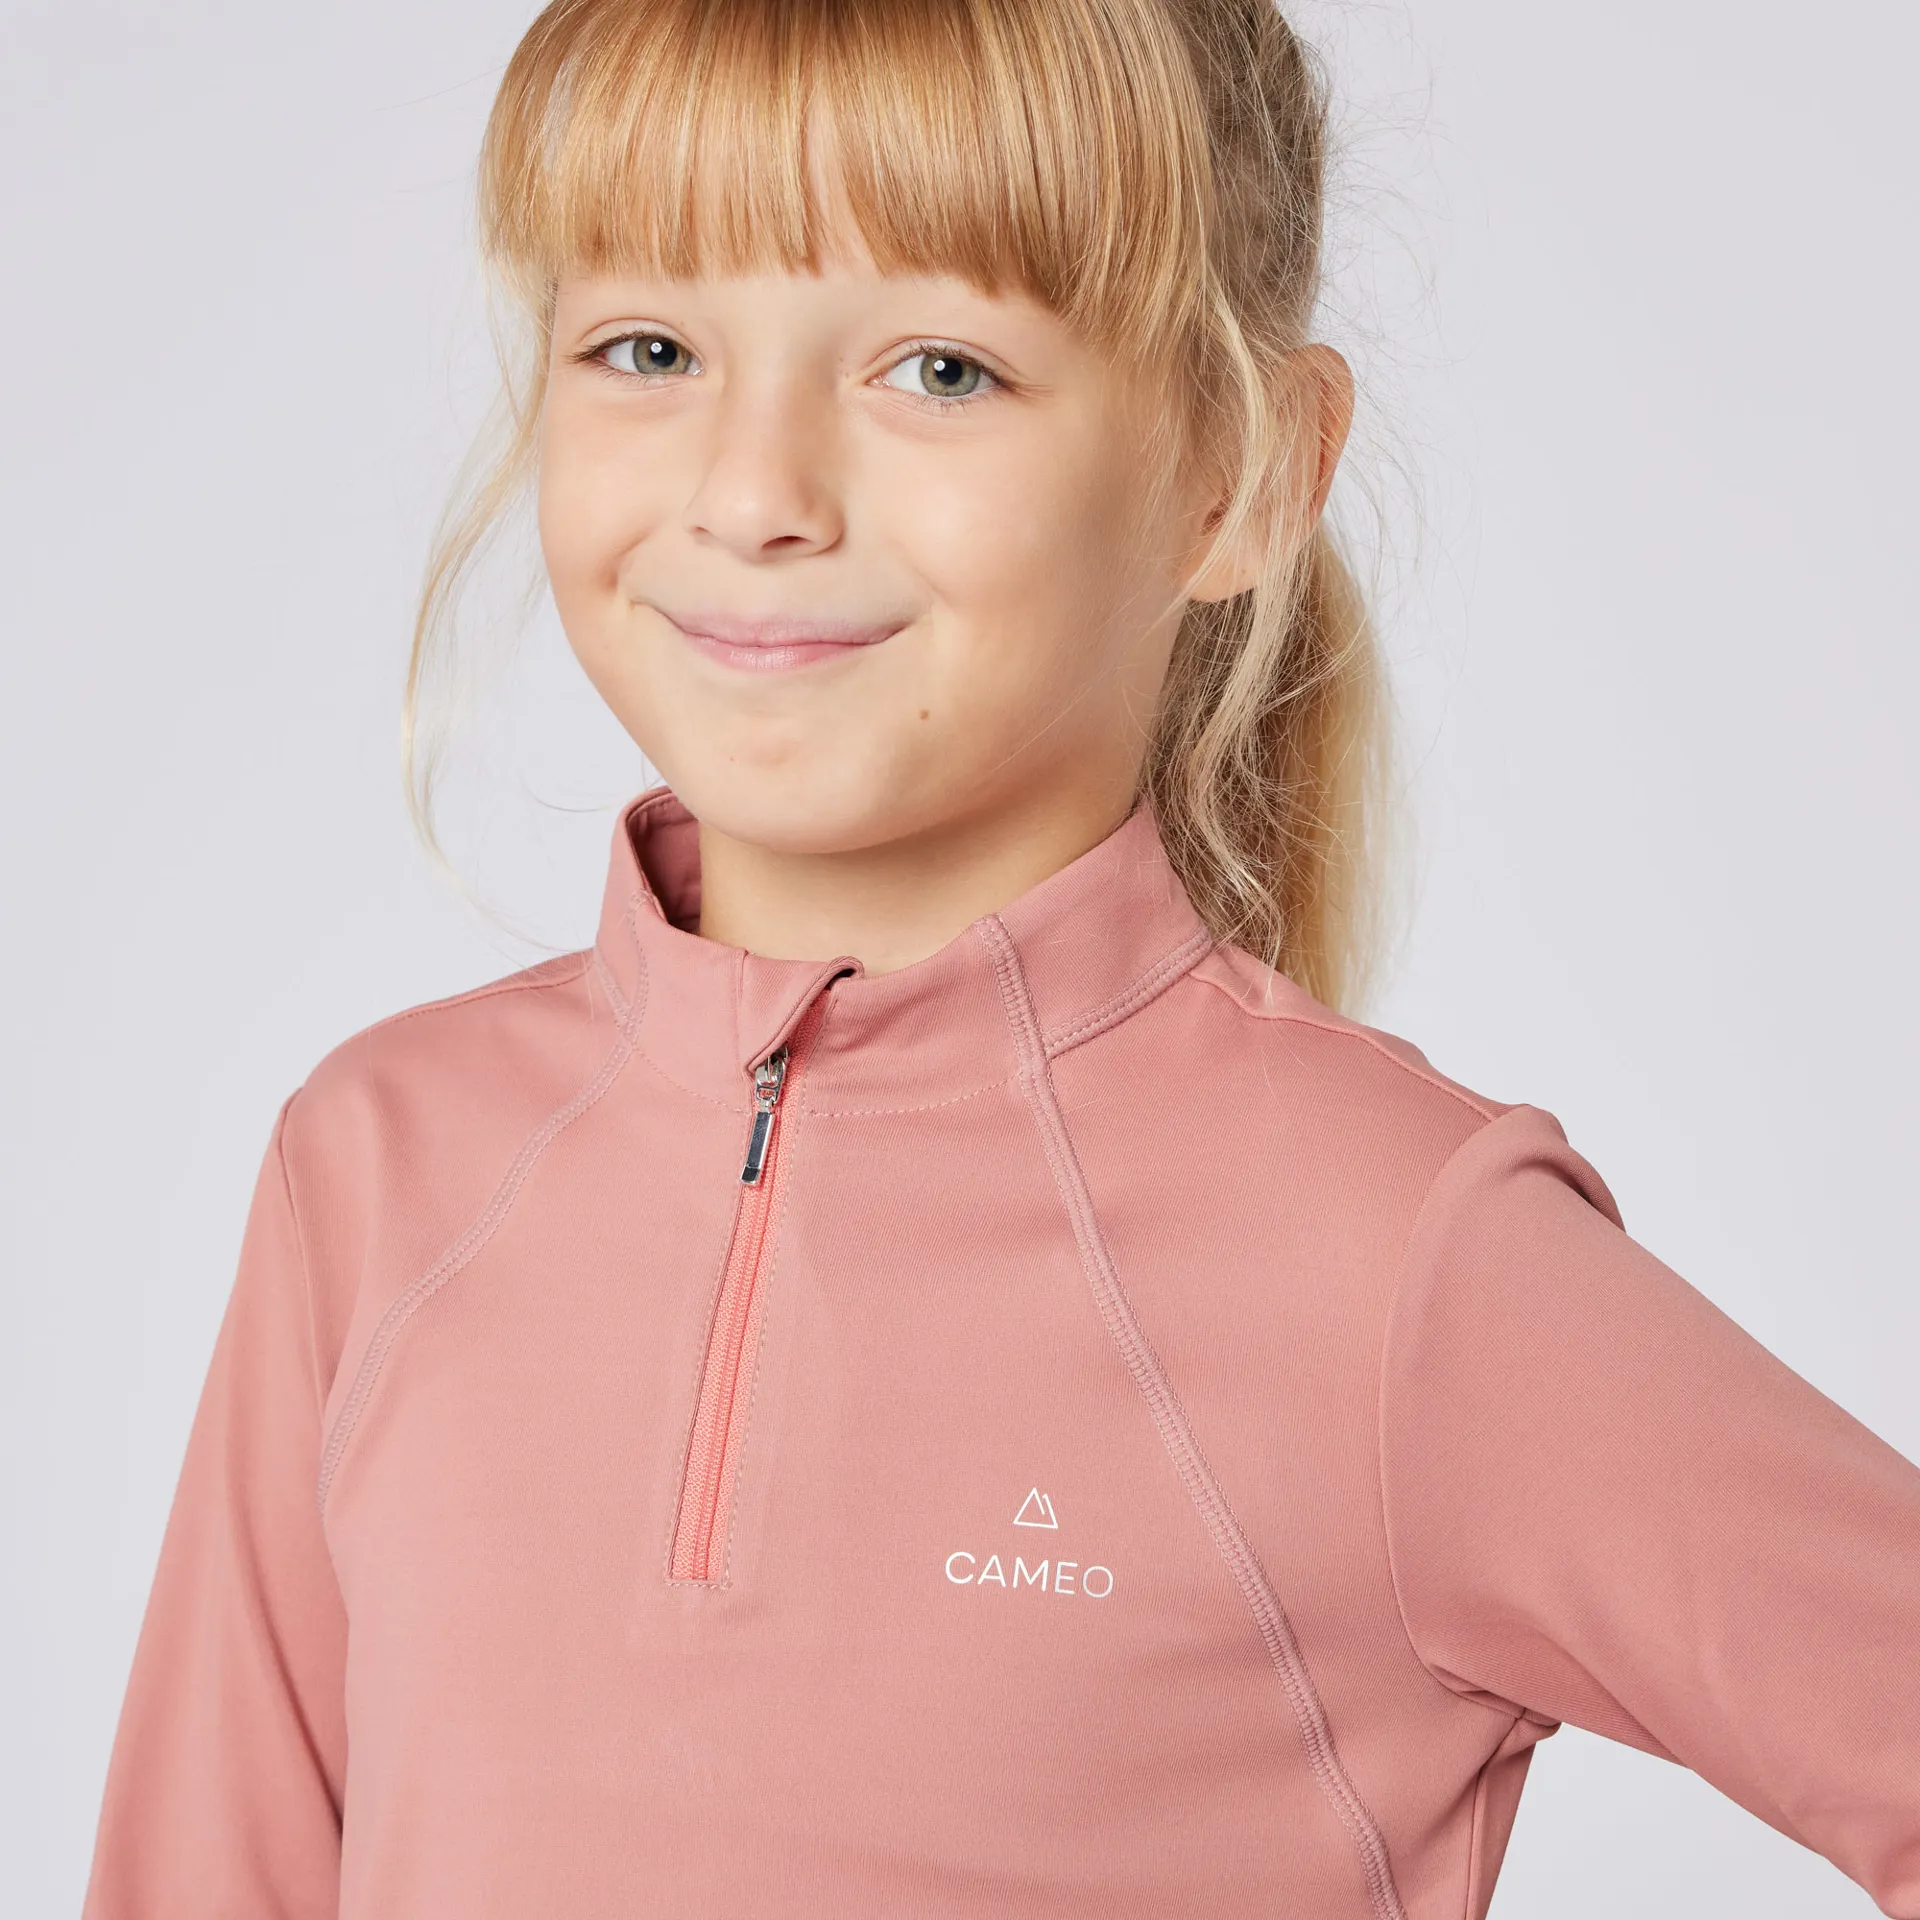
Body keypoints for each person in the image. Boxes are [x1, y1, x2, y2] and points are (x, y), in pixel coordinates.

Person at [79, 0, 1920, 1915]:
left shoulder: (1394, 1262)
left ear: (1238, 477)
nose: (754, 496)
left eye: (940, 369)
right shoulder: (378, 1168)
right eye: (651, 349)